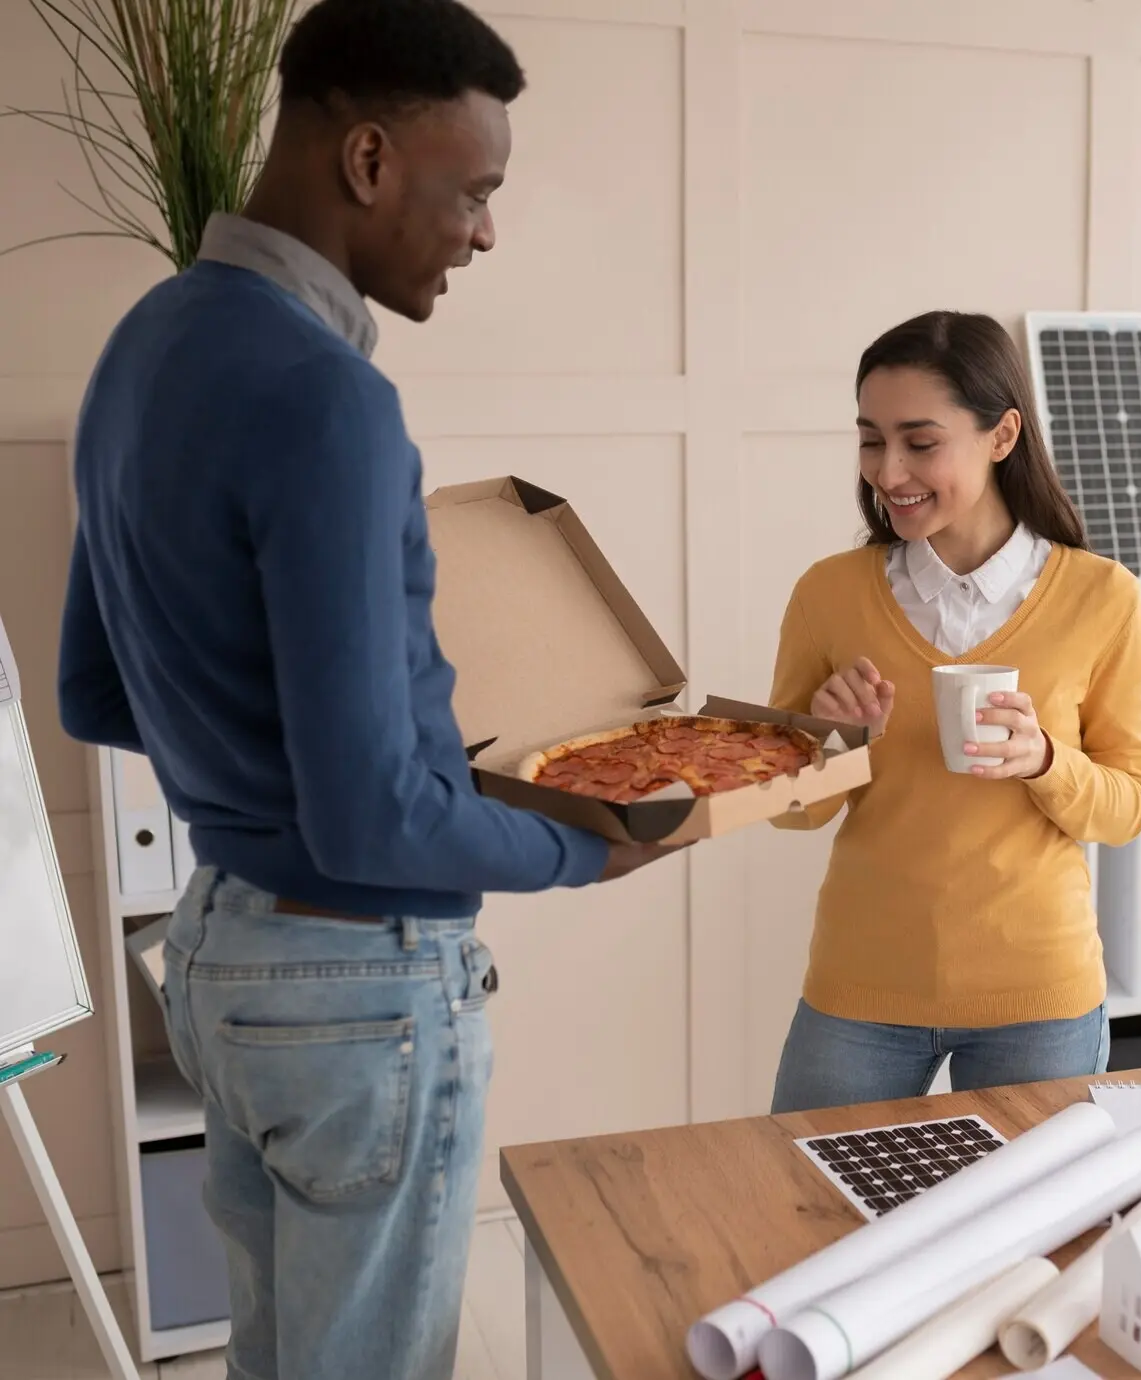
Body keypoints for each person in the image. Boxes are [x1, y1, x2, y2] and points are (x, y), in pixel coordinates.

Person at [56, 3, 677, 1377]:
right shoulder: (327, 397)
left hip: (222, 957)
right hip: (358, 987)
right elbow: (372, 819)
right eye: (476, 192)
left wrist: (271, 758)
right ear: (371, 160)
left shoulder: (143, 345)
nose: (485, 233)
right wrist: (597, 847)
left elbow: (95, 693)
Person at [767, 310, 1141, 1113]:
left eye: (920, 442)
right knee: (802, 1189)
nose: (888, 471)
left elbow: (1127, 808)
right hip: (862, 988)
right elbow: (786, 809)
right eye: (871, 440)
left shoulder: (1101, 597)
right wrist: (836, 743)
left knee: (1038, 1201)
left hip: (1038, 996)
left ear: (1002, 435)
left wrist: (1045, 760)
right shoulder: (828, 594)